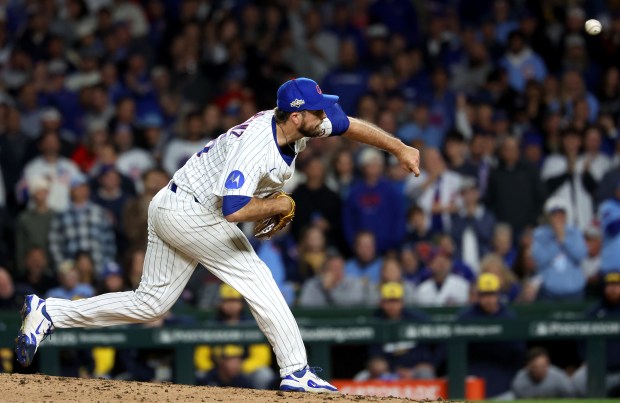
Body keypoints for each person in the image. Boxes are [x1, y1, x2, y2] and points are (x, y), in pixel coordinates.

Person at [16, 77, 421, 393]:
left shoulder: (295, 125)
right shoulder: (258, 146)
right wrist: (278, 205)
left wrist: (399, 147)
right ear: (297, 116)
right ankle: (296, 370)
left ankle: (49, 313)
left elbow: (349, 125)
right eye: (317, 112)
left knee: (150, 303)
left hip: (175, 204)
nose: (324, 117)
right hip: (192, 211)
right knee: (256, 277)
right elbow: (233, 211)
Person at [457, 273, 526, 398]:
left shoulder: (509, 317)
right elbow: (453, 351)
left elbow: (518, 352)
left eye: (492, 294)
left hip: (502, 369)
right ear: (478, 296)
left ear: (498, 295)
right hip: (473, 368)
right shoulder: (466, 317)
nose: (488, 299)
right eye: (484, 295)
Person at [530, 197, 587, 301]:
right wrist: (557, 241)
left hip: (574, 290)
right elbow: (540, 260)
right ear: (548, 216)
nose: (558, 217)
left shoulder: (574, 233)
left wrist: (564, 240)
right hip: (549, 291)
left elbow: (580, 255)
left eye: (561, 214)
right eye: (554, 214)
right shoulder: (540, 234)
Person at [512, 347, 576, 399]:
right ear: (527, 366)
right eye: (535, 367)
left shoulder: (559, 377)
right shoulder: (520, 380)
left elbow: (571, 398)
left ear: (548, 364)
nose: (540, 370)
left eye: (543, 366)